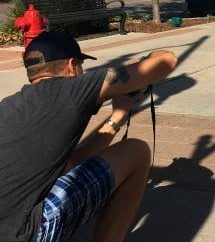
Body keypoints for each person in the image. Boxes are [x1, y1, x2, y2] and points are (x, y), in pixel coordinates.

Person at [0, 31, 178, 242]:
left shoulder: (8, 106)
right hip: (24, 234)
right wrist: (142, 63)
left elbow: (73, 163)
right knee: (136, 152)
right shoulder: (73, 89)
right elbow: (167, 61)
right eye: (80, 66)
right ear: (71, 65)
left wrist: (118, 114)